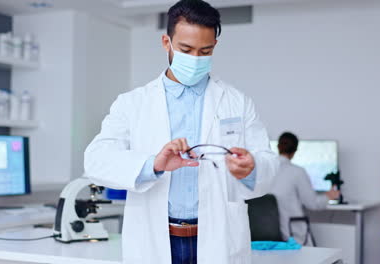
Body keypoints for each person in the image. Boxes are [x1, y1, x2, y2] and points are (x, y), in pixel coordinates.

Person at [84, 1, 278, 263]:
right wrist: (153, 164)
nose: (195, 59)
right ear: (167, 42)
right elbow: (96, 160)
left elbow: (268, 161)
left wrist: (251, 168)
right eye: (186, 49)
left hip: (218, 239)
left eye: (205, 51)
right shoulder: (132, 103)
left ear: (214, 47)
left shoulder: (237, 102)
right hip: (155, 238)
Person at [270, 132, 340, 246]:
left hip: (267, 235)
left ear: (278, 146)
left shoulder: (264, 171)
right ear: (295, 150)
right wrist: (329, 196)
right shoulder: (297, 172)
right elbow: (312, 204)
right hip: (291, 234)